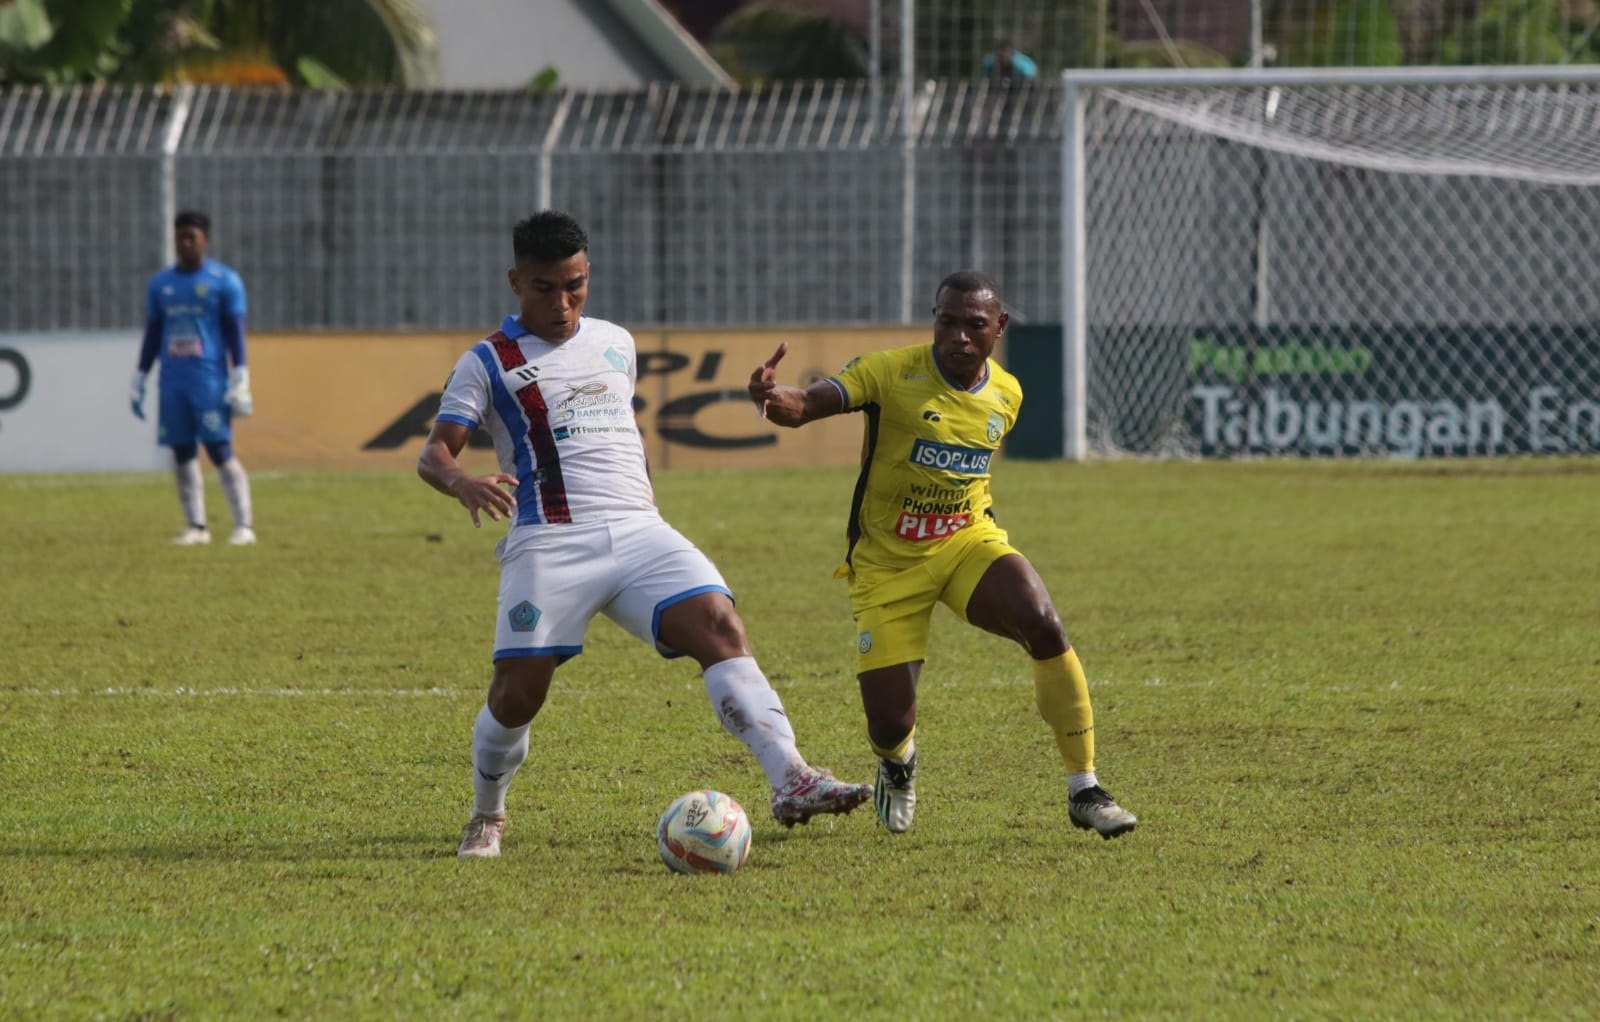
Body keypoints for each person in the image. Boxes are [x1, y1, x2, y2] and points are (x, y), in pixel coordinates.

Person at [419, 210, 872, 859]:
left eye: (575, 285)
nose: (563, 302)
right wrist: (462, 482)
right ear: (516, 281)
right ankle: (487, 814)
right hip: (550, 540)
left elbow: (622, 433)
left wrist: (647, 502)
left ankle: (792, 777)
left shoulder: (616, 342)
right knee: (518, 692)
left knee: (719, 624)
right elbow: (434, 452)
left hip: (638, 531)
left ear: (588, 275)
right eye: (545, 288)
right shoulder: (488, 361)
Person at [747, 270, 1137, 839]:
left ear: (999, 326)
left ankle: (1085, 788)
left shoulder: (1007, 393)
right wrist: (775, 400)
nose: (958, 336)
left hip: (964, 542)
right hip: (887, 566)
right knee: (889, 722)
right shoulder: (888, 371)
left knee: (1043, 622)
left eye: (974, 325)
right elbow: (806, 404)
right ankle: (897, 764)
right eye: (946, 322)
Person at [130, 210, 256, 546]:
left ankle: (243, 525)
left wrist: (241, 376)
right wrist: (140, 376)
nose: (185, 243)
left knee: (219, 449)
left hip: (209, 381)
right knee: (182, 452)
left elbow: (235, 333)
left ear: (205, 240)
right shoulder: (161, 284)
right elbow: (153, 333)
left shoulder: (223, 281)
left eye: (192, 237)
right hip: (173, 382)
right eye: (180, 238)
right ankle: (197, 527)